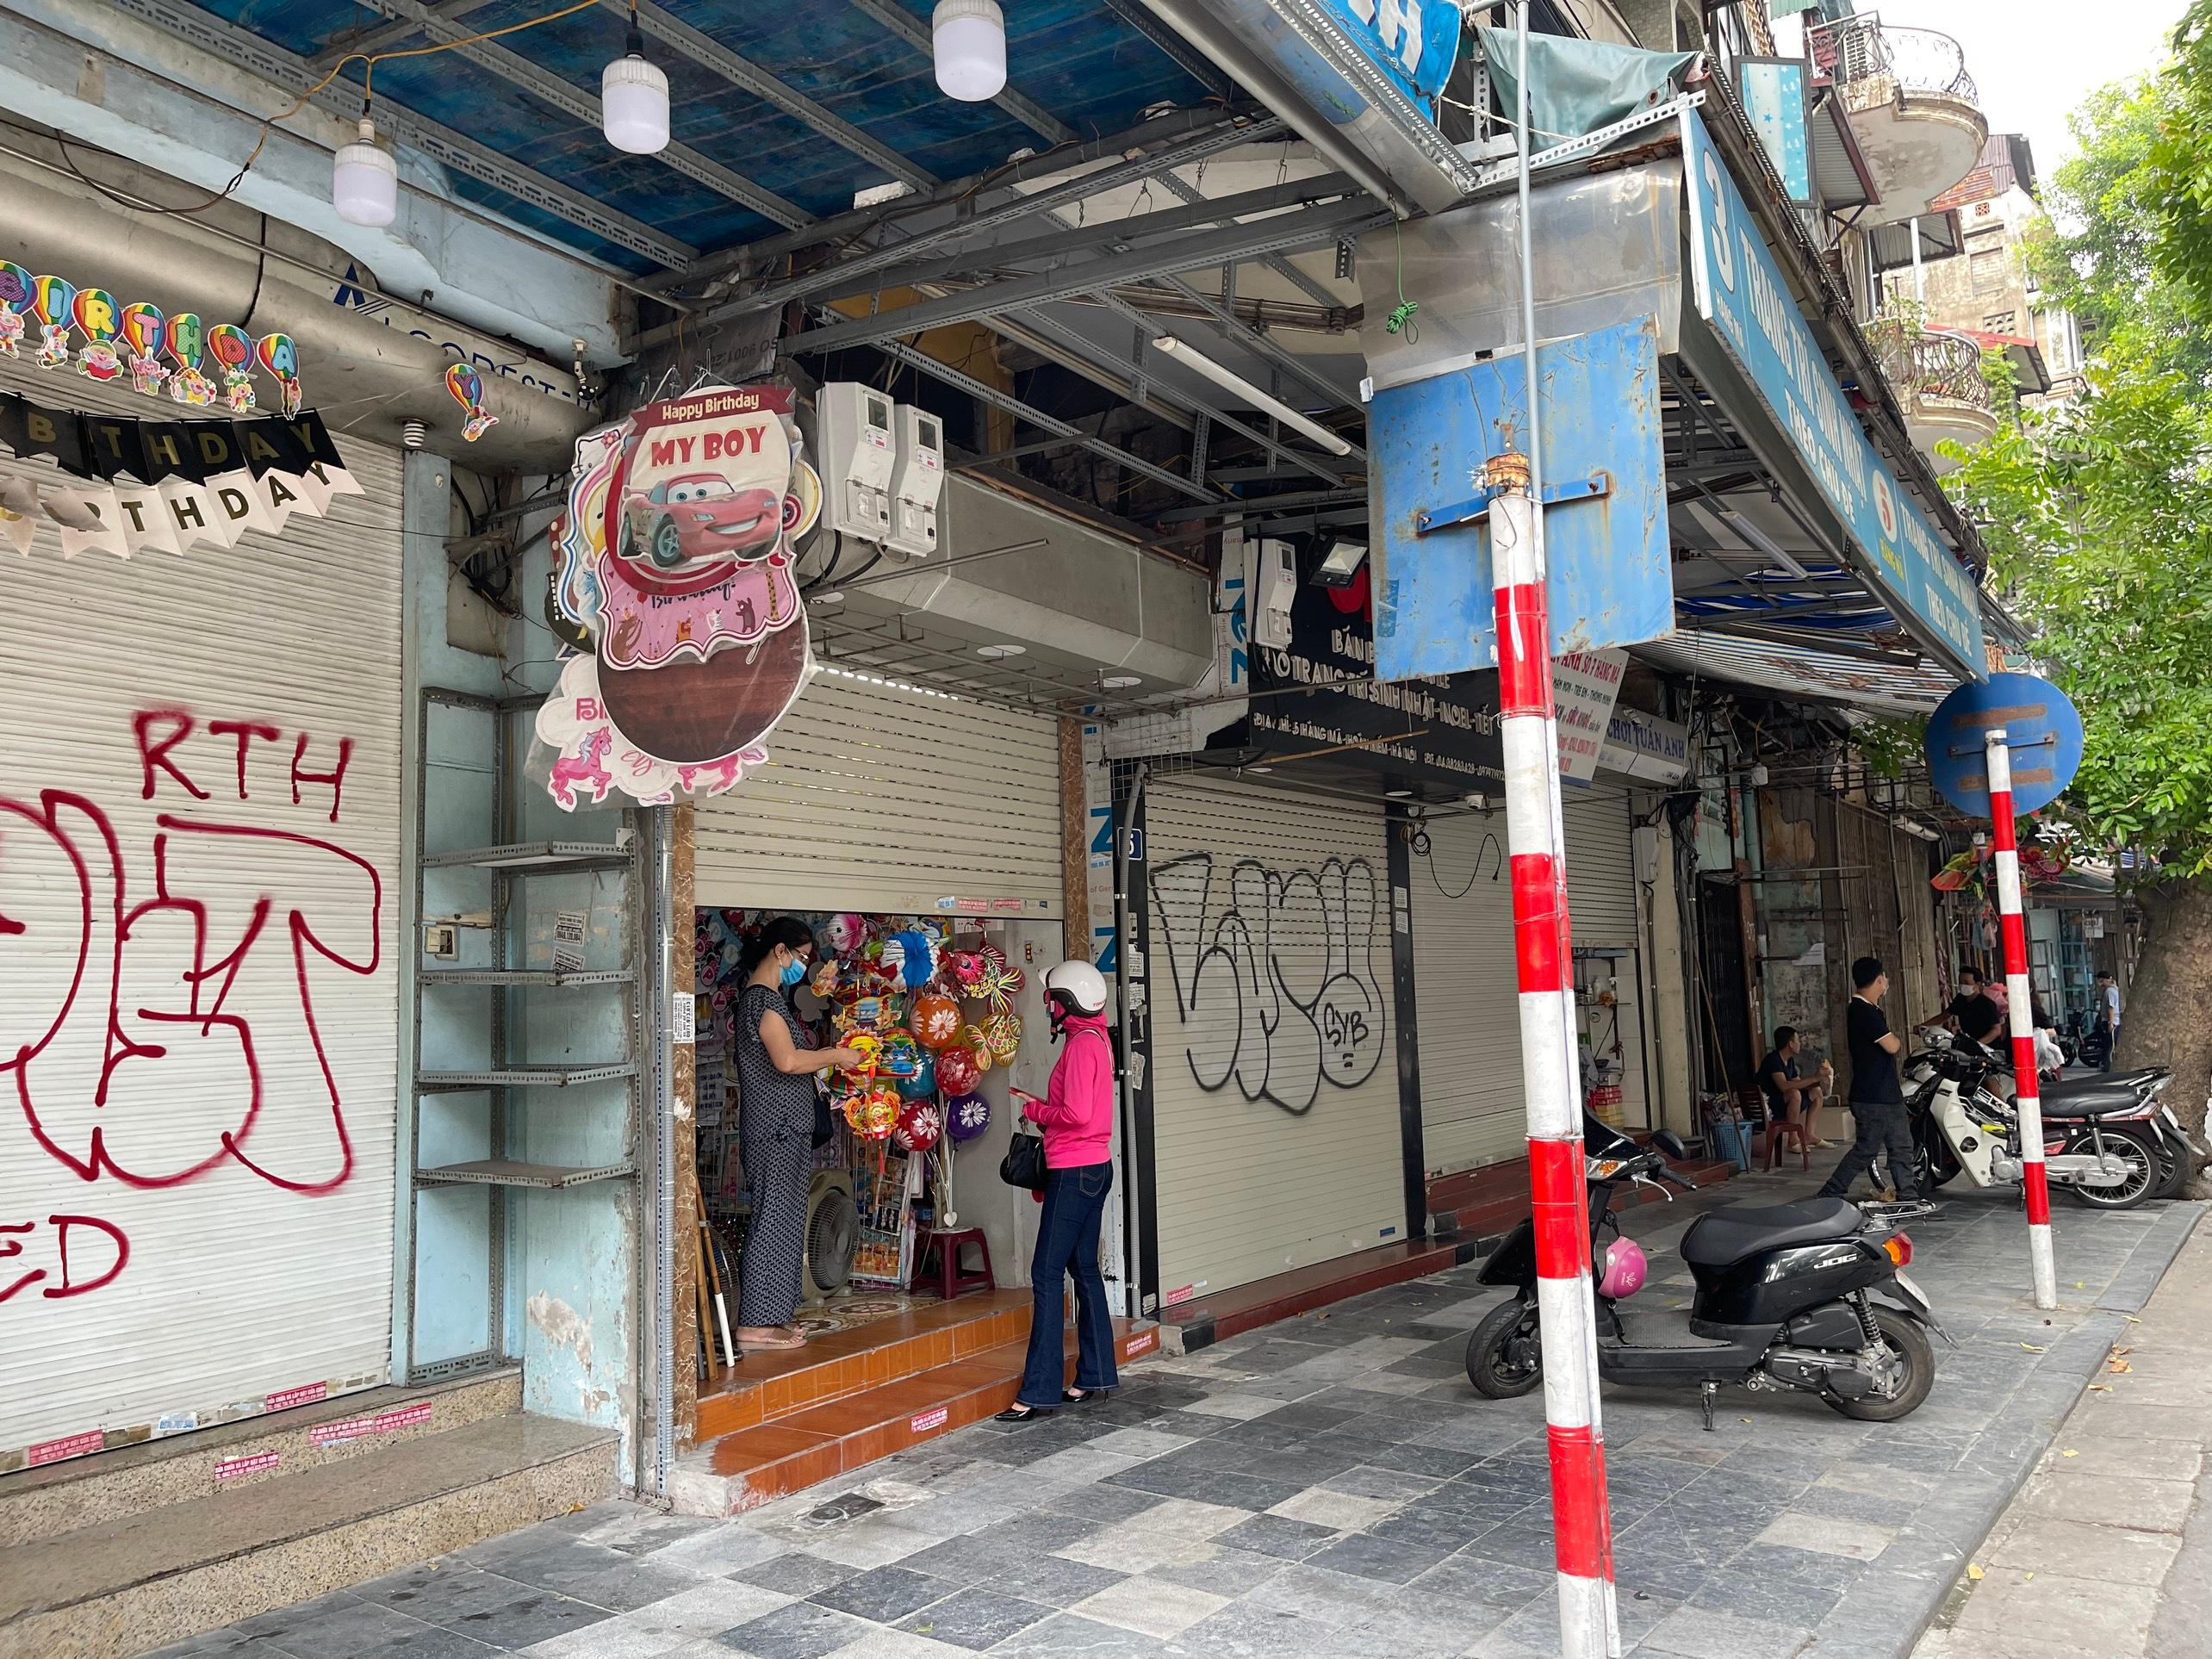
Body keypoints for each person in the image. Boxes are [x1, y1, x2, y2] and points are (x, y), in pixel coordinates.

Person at [730, 917, 864, 1352]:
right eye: (802, 957)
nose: (804, 966)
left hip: (784, 1128)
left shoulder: (766, 999)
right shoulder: (762, 1001)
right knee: (774, 1219)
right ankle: (756, 1324)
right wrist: (835, 1055)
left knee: (786, 1220)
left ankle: (772, 1316)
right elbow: (787, 1061)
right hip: (776, 1129)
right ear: (780, 951)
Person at [996, 960, 1121, 1421]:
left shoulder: (1082, 1046)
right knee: (1084, 1269)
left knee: (1046, 1274)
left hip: (1074, 1171)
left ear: (1066, 1002)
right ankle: (1095, 1374)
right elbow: (1081, 1109)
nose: (1047, 1005)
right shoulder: (1096, 1039)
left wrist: (1038, 1113)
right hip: (1095, 1167)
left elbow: (1078, 1115)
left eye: (1051, 998)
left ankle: (1038, 1391)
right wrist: (1047, 1107)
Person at [1817, 955, 1927, 1208]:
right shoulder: (1862, 1011)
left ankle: (1908, 1196)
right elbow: (1892, 1045)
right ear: (1879, 980)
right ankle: (1831, 1191)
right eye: (1884, 977)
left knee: (1900, 1146)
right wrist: (1897, 1040)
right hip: (1873, 1096)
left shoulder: (1869, 1010)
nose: (1886, 982)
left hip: (1885, 1094)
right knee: (1867, 1149)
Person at [1757, 1026, 1833, 1166]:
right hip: (1770, 1106)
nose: (1800, 1044)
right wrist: (1814, 1077)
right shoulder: (1773, 1060)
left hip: (1784, 1102)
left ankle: (1809, 1135)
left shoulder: (1790, 1061)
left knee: (1816, 1092)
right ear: (1790, 1044)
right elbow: (1784, 1086)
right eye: (1798, 1041)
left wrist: (1818, 1082)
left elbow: (1798, 1083)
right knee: (1794, 1094)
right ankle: (1792, 1139)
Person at [1942, 967, 2005, 1052]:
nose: (1962, 985)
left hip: (1990, 1050)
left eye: (1966, 983)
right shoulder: (1960, 1000)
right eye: (1960, 982)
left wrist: (1978, 1044)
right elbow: (1945, 1015)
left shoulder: (1987, 1004)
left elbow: (1996, 1030)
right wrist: (1925, 1026)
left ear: (1977, 984)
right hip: (1968, 1048)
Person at [2096, 969, 2122, 1071]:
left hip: (2111, 1021)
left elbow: (2111, 1008)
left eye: (2101, 981)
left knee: (2109, 1045)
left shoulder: (2109, 991)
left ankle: (2107, 1066)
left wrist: (2110, 1023)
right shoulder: (2115, 989)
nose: (2100, 984)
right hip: (2115, 1021)